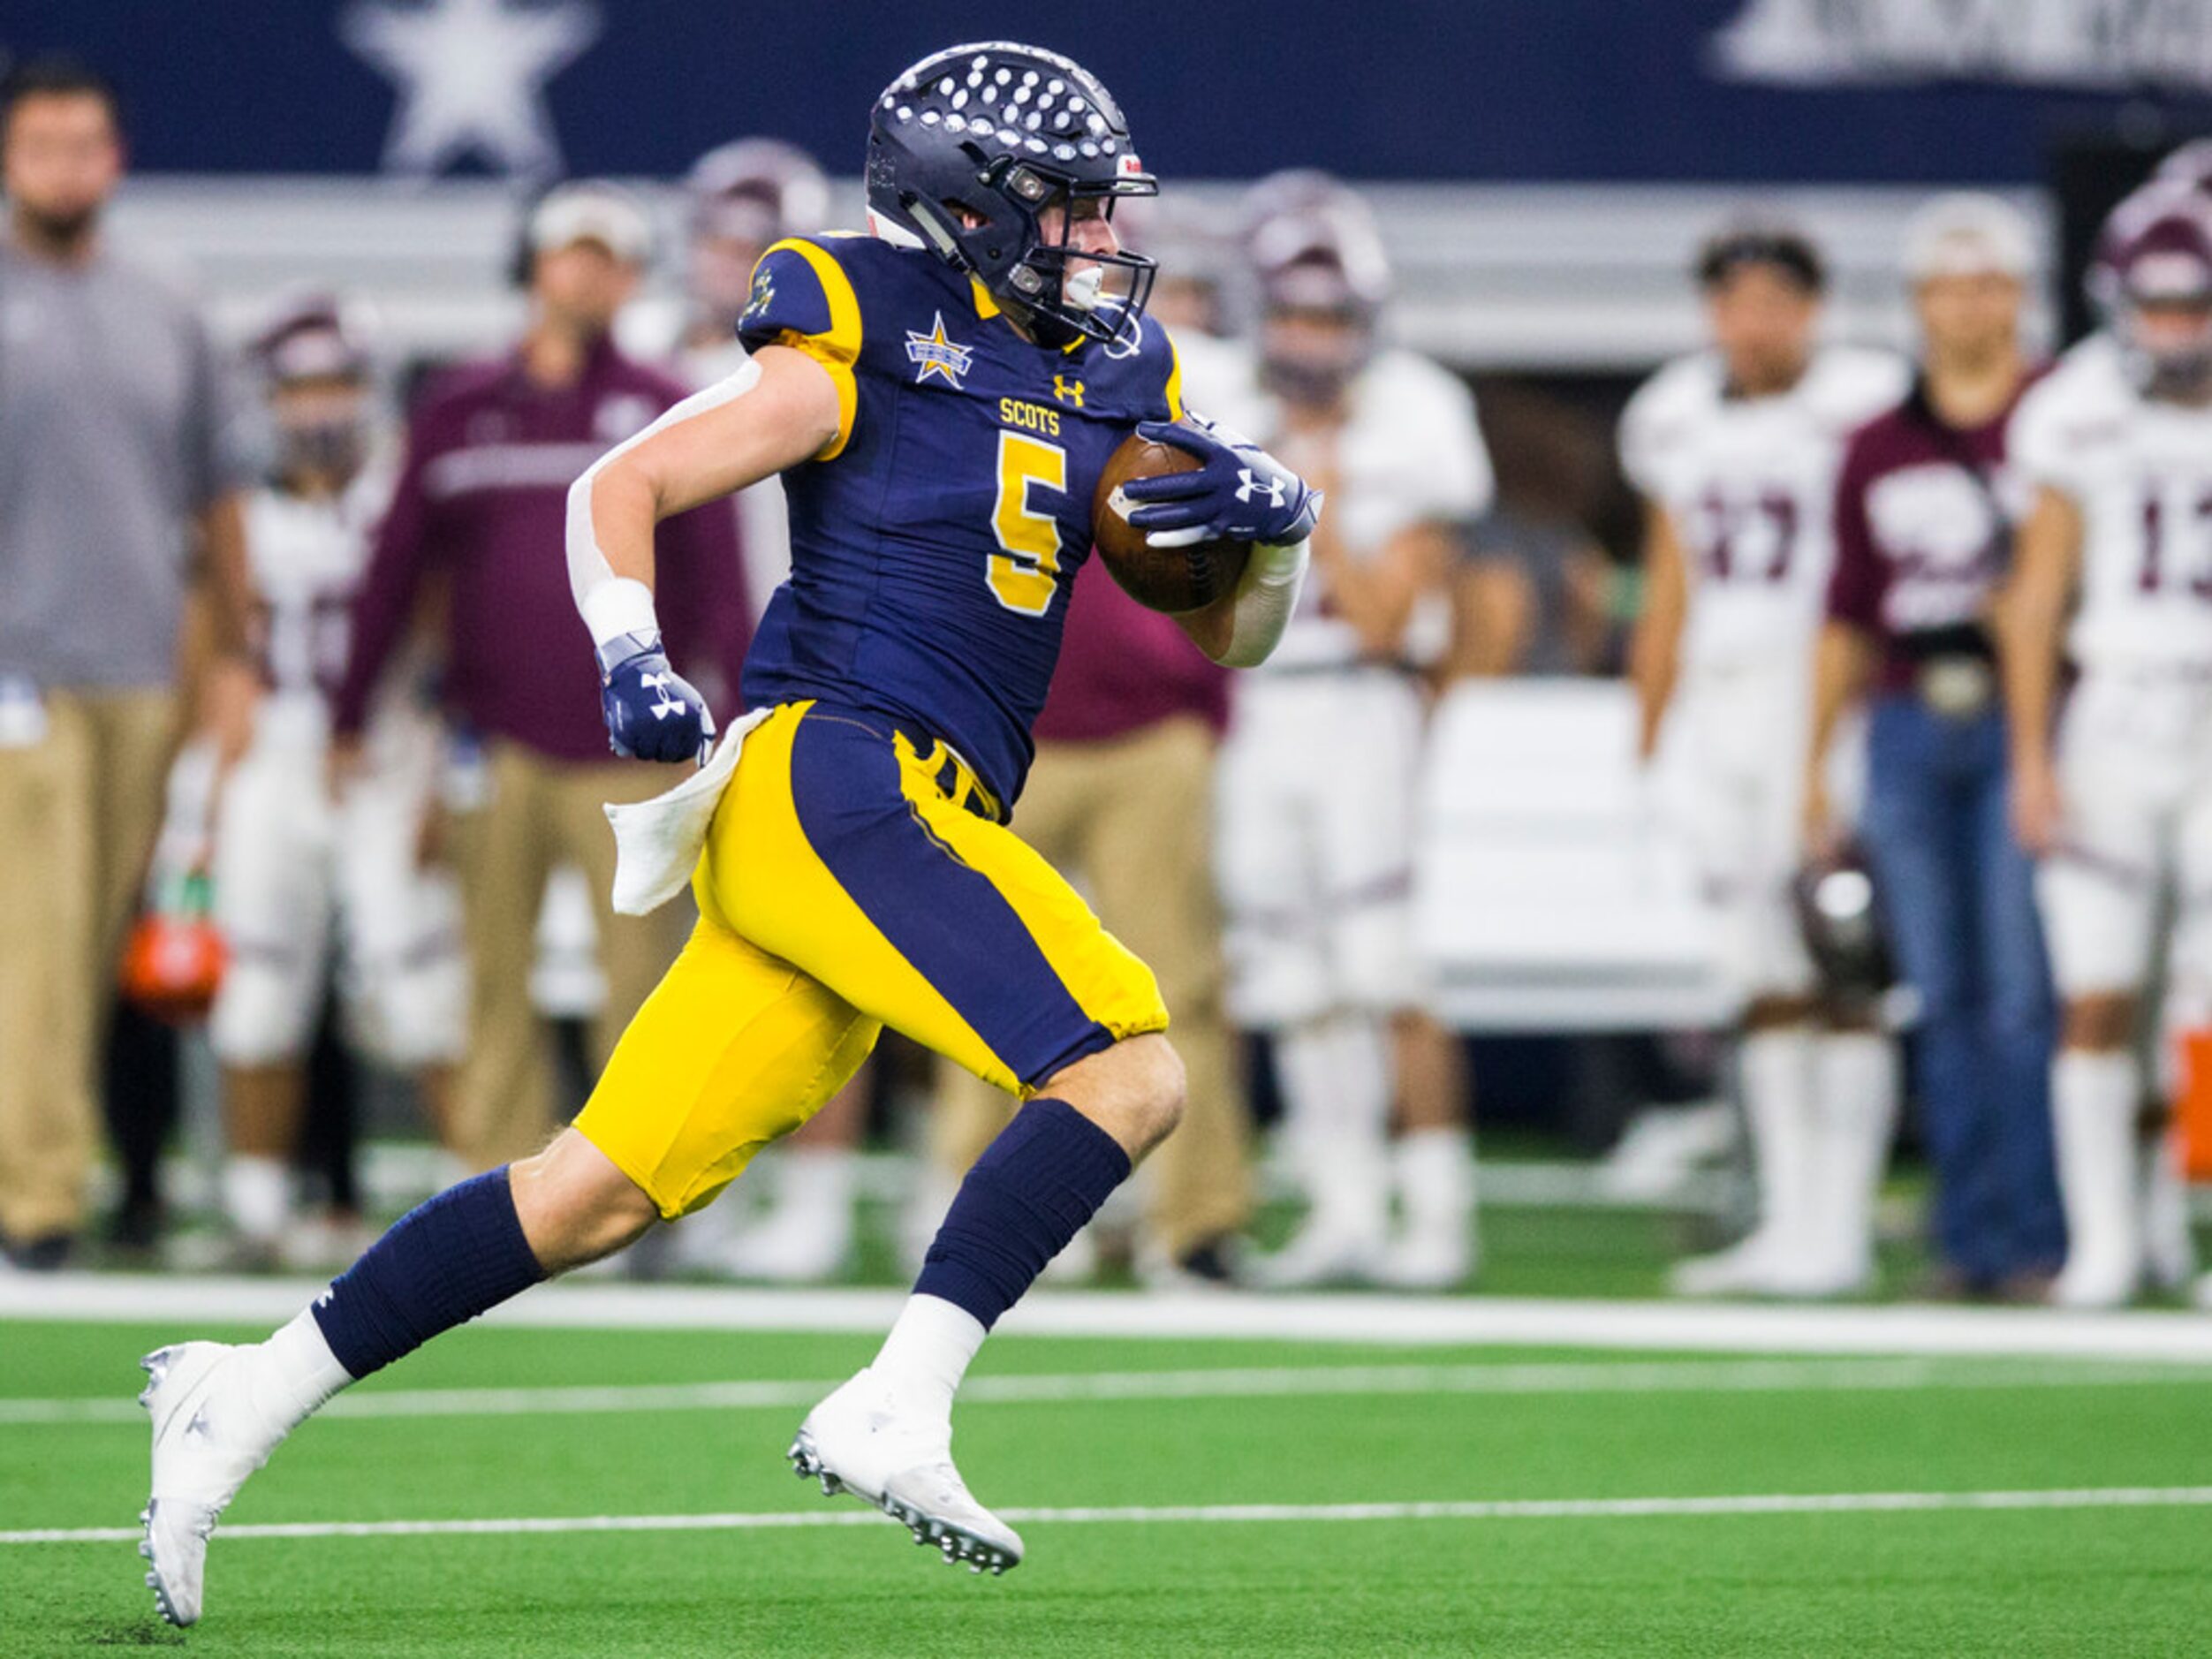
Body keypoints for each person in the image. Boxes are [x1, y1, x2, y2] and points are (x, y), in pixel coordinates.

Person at [136, 40, 1320, 1625]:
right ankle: (896, 1397)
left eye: (1103, 210)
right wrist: (628, 649)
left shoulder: (1121, 373)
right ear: (969, 209)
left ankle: (243, 1388)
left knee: (593, 1191)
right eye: (1064, 209)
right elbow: (621, 484)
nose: (1096, 238)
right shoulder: (857, 321)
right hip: (837, 773)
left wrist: (1272, 539)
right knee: (1125, 1064)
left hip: (906, 802)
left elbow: (1227, 639)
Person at [326, 181, 749, 1176]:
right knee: (492, 973)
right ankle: (494, 1181)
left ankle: (643, 1184)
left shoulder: (660, 408)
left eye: (608, 256)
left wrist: (730, 712)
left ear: (631, 275)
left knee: (640, 983)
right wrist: (350, 709)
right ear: (533, 262)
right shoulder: (460, 407)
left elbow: (718, 584)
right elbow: (396, 570)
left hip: (632, 751)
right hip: (494, 736)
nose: (586, 273)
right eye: (571, 252)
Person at [1211, 175, 1493, 1289]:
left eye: (1328, 318)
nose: (1306, 340)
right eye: (1290, 314)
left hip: (1362, 703)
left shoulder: (1417, 414)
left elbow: (1385, 618)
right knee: (1288, 974)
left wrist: (1306, 506)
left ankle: (1436, 1210)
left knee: (1386, 965)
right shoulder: (1220, 401)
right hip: (1255, 699)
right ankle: (1341, 1206)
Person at [1622, 221, 1909, 1298]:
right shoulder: (1673, 416)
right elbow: (1670, 579)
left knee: (1841, 964)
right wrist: (1646, 734)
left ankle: (1837, 1220)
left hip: (1823, 695)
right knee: (1757, 974)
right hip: (1725, 708)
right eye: (1735, 302)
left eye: (1775, 301)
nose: (1754, 323)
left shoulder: (1864, 406)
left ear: (1813, 308)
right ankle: (1791, 1222)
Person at [0, 58, 254, 1269]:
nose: (62, 165)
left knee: (99, 942)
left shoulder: (169, 301)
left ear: (115, 157)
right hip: (17, 673)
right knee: (33, 945)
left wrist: (235, 662)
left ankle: (65, 1173)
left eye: (82, 143)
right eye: (40, 143)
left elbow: (217, 499)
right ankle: (36, 1205)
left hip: (145, 673)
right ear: (10, 157)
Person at [1803, 196, 2064, 1297]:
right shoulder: (1875, 440)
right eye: (1948, 286)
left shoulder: (2063, 417)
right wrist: (1814, 765)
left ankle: (2044, 1237)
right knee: (1942, 993)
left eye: (1988, 283)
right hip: (1909, 713)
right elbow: (1849, 611)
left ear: (2017, 295)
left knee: (2022, 988)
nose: (1968, 305)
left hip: (2024, 717)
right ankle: (1966, 1237)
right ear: (1917, 303)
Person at [205, 295, 468, 1267]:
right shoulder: (236, 505)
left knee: (421, 985)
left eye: (335, 384)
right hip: (277, 752)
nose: (317, 407)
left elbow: (444, 633)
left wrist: (444, 769)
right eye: (299, 387)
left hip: (387, 754)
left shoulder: (405, 496)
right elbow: (216, 632)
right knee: (259, 987)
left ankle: (464, 1212)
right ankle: (256, 1211)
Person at [2001, 182, 2212, 1308]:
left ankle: (2182, 1225)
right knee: (2097, 988)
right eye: (2159, 306)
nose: (2175, 329)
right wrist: (2028, 755)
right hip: (2117, 713)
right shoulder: (2076, 406)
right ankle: (2106, 1241)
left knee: (2203, 1003)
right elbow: (2032, 600)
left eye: (2195, 306)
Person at [930, 554, 1251, 1288]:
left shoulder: (1171, 440)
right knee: (979, 981)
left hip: (1150, 736)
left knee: (1178, 985)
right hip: (1003, 734)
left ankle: (1193, 1225)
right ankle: (981, 1212)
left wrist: (1207, 703)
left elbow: (1237, 558)